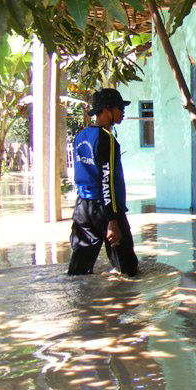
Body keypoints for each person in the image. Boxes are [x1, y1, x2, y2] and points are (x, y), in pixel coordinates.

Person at [67, 88, 139, 277]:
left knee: (79, 271)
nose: (123, 112)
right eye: (120, 108)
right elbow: (106, 181)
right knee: (128, 269)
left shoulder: (81, 136)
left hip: (83, 208)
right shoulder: (107, 139)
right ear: (107, 110)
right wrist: (113, 221)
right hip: (105, 208)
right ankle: (126, 305)